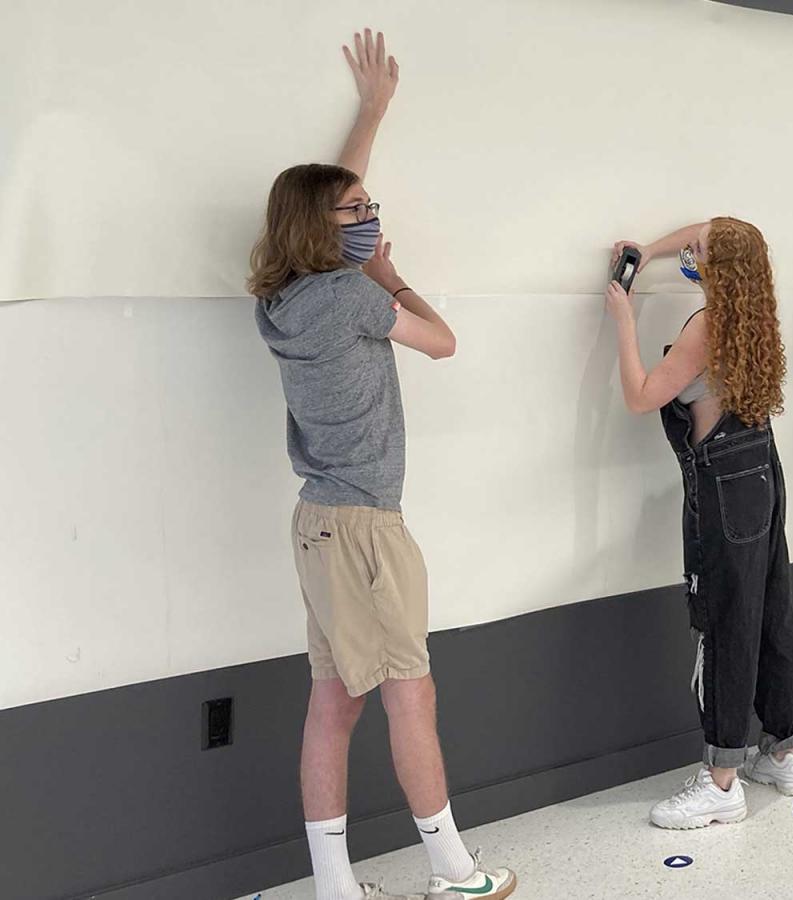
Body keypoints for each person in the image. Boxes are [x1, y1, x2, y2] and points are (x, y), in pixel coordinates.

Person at [248, 31, 515, 900]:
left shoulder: (282, 299)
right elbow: (443, 344)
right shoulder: (358, 297)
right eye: (358, 215)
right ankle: (454, 873)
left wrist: (371, 113)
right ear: (322, 232)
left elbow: (324, 204)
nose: (372, 221)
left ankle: (333, 885)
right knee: (410, 698)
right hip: (366, 527)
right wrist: (396, 278)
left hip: (317, 523)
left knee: (334, 704)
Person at [607, 219, 793, 829]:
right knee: (772, 612)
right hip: (762, 469)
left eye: (696, 253)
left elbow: (642, 396)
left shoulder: (706, 325)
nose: (688, 253)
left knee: (725, 624)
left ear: (716, 267)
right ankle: (785, 753)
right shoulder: (754, 313)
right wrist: (647, 247)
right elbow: (707, 228)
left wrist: (623, 314)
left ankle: (721, 782)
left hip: (724, 486)